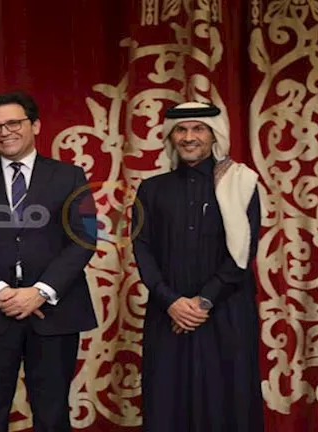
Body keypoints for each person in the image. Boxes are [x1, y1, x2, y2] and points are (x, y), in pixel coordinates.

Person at [0, 92, 98, 432]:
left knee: (53, 414)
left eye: (13, 123)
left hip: (54, 312)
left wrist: (40, 292)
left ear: (35, 125)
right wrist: (0, 292)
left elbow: (84, 238)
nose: (4, 132)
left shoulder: (71, 176)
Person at [131, 102, 264, 431]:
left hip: (226, 312)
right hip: (168, 313)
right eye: (181, 130)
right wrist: (172, 301)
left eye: (198, 129)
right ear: (171, 136)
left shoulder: (241, 184)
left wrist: (203, 302)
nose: (189, 137)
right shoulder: (152, 189)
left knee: (226, 403)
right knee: (167, 403)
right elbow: (142, 248)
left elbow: (243, 253)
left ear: (214, 134)